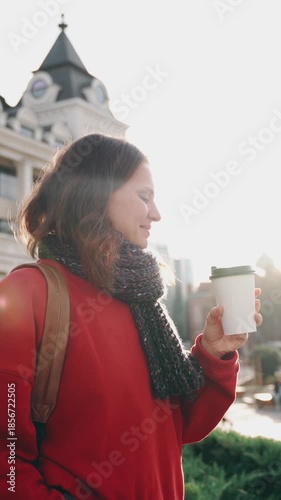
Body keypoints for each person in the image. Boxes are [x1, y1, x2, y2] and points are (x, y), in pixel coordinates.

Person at [0, 133, 262, 500]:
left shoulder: (142, 300)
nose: (156, 214)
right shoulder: (26, 295)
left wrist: (214, 354)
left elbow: (179, 425)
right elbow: (7, 460)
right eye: (144, 197)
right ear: (94, 195)